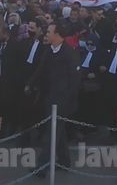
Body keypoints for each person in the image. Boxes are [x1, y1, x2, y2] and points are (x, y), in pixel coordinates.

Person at [25, 22, 81, 176]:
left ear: (57, 35)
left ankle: (42, 166)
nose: (46, 34)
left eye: (49, 32)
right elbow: (41, 69)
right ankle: (64, 161)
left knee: (51, 133)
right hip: (50, 97)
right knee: (58, 132)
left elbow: (75, 80)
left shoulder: (69, 53)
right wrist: (30, 83)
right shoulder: (49, 51)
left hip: (62, 100)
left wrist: (68, 100)